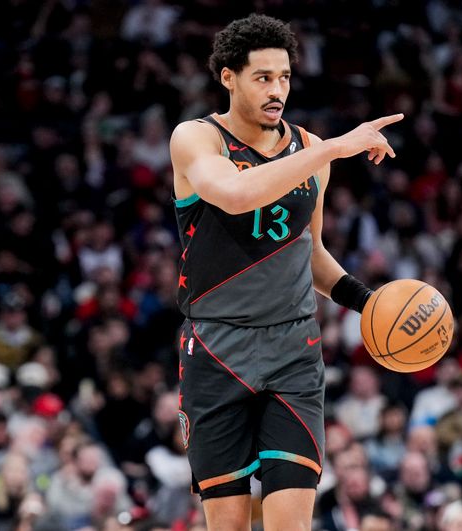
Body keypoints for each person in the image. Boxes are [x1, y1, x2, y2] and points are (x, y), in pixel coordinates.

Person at [169, 13, 402, 530]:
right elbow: (233, 196)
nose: (278, 90)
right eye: (263, 78)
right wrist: (334, 148)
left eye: (285, 77)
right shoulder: (195, 139)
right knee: (228, 524)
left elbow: (310, 251)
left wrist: (369, 302)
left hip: (293, 351)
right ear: (228, 77)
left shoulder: (312, 150)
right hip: (215, 349)